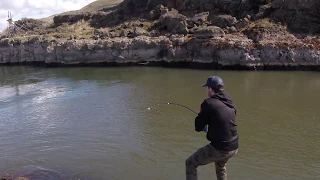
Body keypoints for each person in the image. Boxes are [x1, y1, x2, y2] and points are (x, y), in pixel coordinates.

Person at [185, 76, 239, 180]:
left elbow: (198, 127)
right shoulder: (229, 101)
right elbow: (225, 122)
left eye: (207, 88)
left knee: (190, 163)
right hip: (234, 146)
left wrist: (201, 117)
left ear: (210, 89)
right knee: (221, 166)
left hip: (220, 148)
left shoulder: (208, 103)